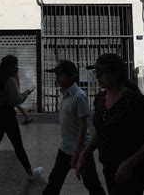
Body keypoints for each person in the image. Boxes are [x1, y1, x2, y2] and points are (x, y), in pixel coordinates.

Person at [76, 54, 144, 195]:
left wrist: (129, 163)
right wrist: (84, 154)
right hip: (109, 168)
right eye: (95, 73)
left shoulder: (133, 100)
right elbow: (102, 131)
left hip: (133, 170)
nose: (97, 77)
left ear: (115, 73)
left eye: (101, 73)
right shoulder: (99, 100)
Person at [43, 60, 105, 195]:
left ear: (71, 76)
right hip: (65, 148)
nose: (57, 79)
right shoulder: (65, 95)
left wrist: (77, 154)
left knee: (91, 183)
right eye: (56, 75)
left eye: (61, 75)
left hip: (81, 148)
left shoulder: (79, 96)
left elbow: (84, 126)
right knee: (54, 181)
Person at [0, 55, 43, 180]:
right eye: (15, 65)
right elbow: (16, 100)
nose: (16, 68)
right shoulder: (9, 81)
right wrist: (26, 93)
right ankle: (30, 173)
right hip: (8, 116)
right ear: (11, 67)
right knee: (17, 144)